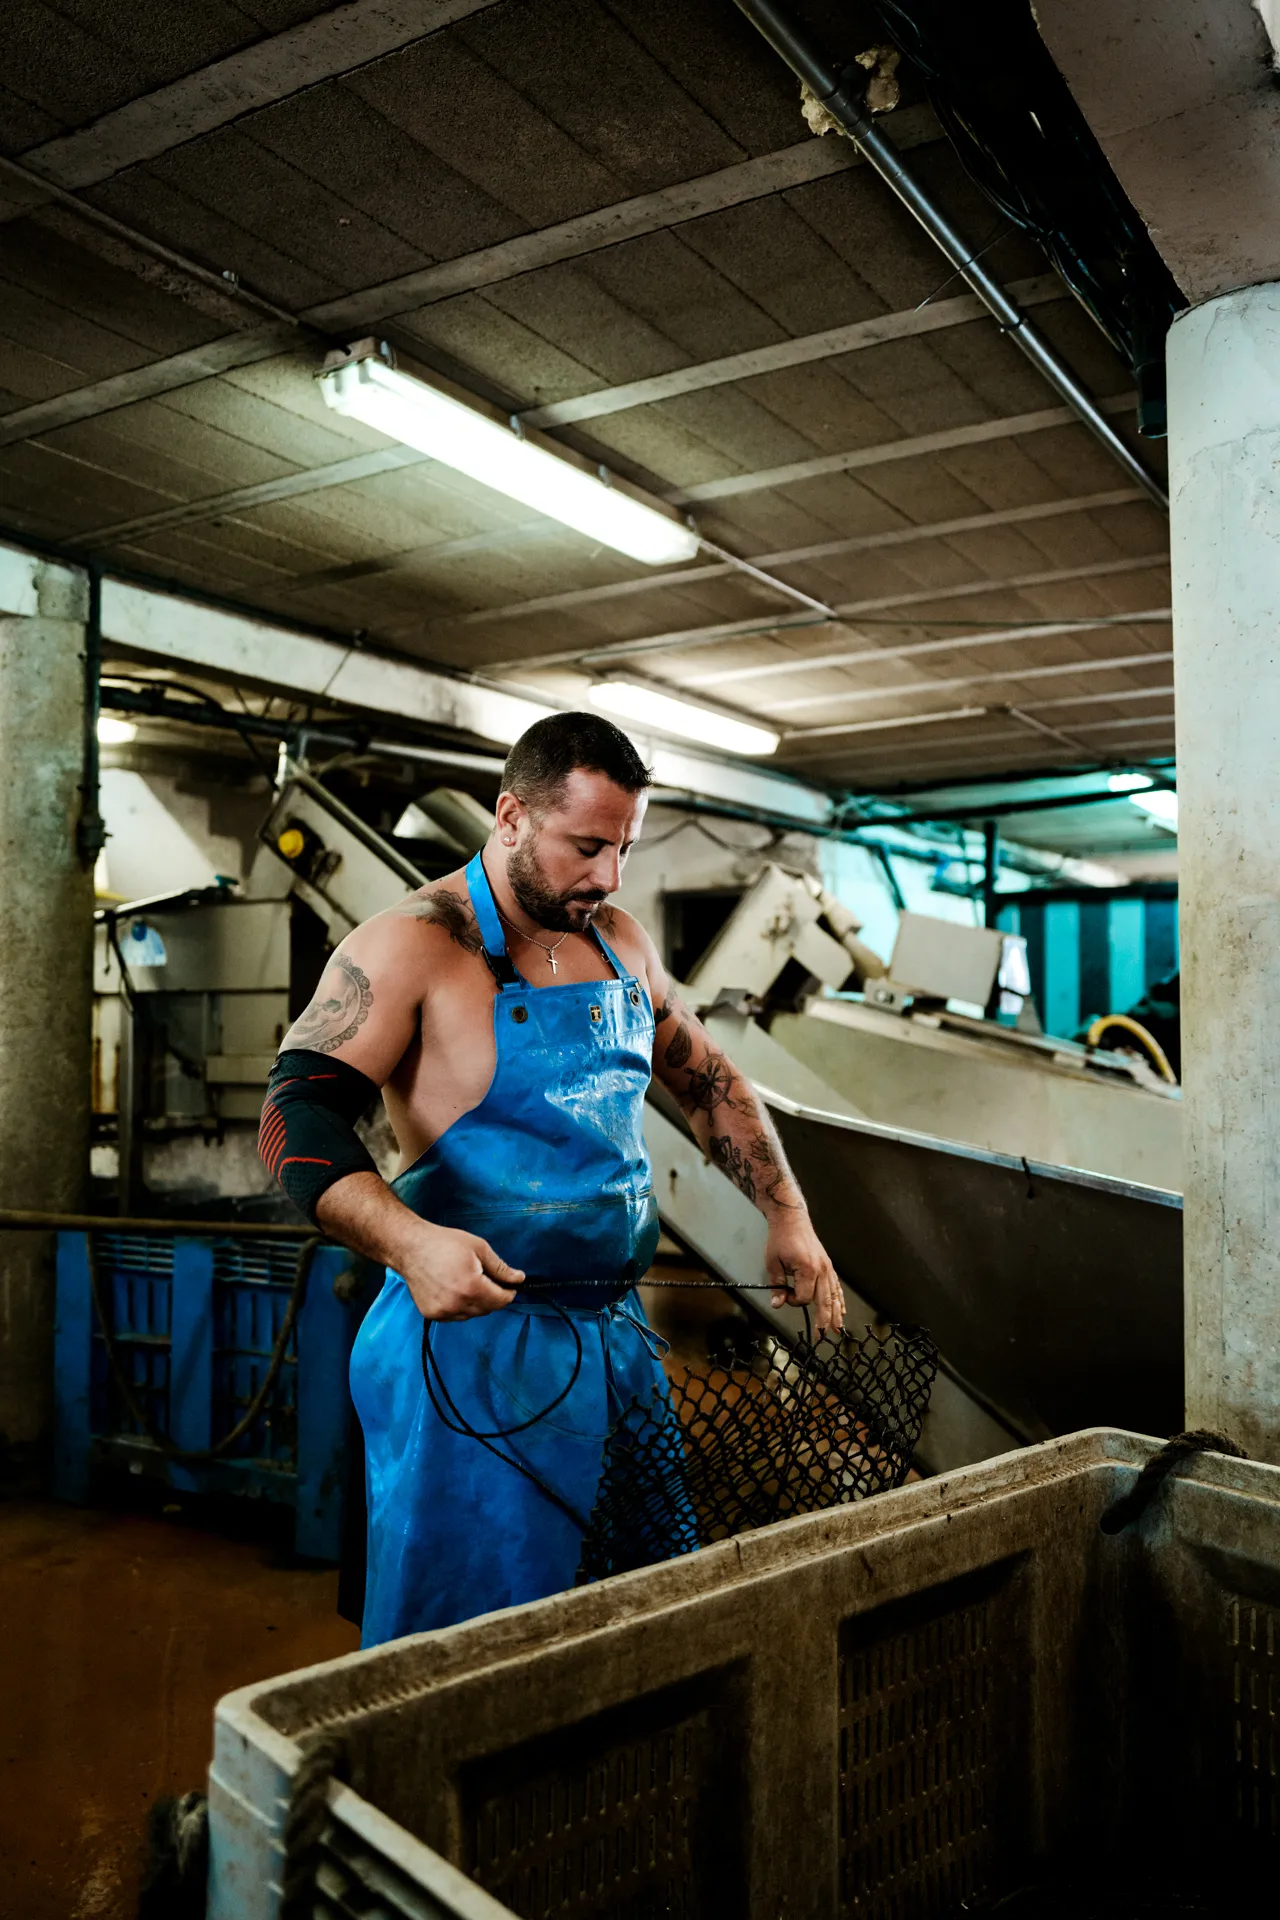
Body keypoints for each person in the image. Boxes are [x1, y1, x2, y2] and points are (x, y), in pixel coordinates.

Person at [259, 711, 844, 1644]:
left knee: (633, 1612)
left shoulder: (619, 941)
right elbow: (294, 1113)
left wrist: (789, 1216)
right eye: (585, 847)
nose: (607, 876)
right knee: (478, 1639)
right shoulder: (413, 944)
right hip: (472, 1356)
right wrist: (412, 1247)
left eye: (623, 848)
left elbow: (708, 1080)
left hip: (612, 1343)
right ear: (510, 816)